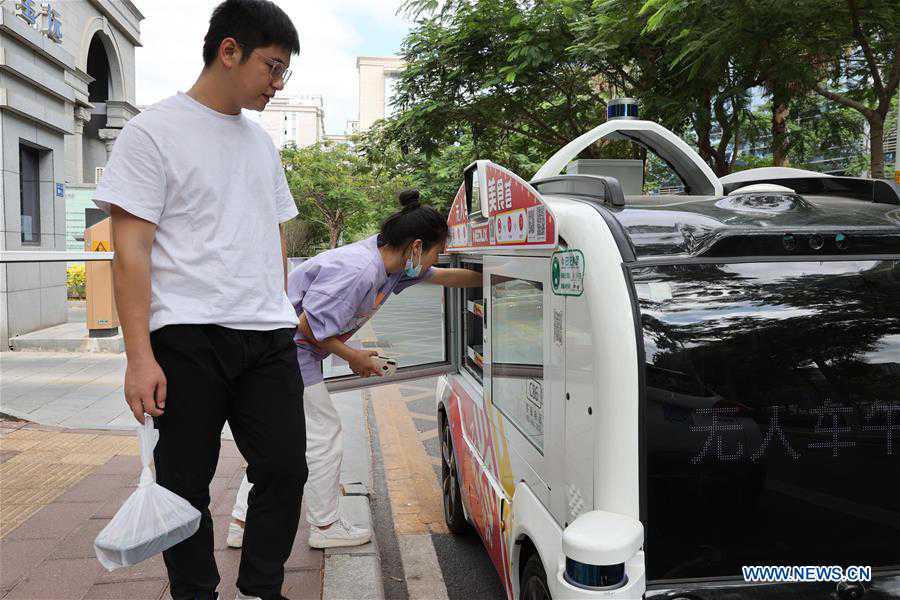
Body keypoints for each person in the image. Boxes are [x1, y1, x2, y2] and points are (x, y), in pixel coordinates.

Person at [93, 1, 305, 598]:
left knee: (286, 469)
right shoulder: (153, 132)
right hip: (186, 336)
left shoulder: (262, 145)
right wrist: (139, 357)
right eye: (272, 66)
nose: (277, 82)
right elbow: (128, 252)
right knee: (185, 484)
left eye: (285, 70)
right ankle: (197, 592)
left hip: (266, 334)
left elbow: (274, 235)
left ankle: (260, 590)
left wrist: (280, 307)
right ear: (229, 50)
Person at [226, 189, 481, 549]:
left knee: (278, 443)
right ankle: (326, 527)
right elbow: (306, 326)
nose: (434, 260)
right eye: (436, 251)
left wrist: (500, 277)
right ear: (417, 246)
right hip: (284, 355)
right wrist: (354, 357)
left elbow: (444, 277)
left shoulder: (391, 267)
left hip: (287, 354)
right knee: (323, 437)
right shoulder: (358, 271)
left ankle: (241, 522)